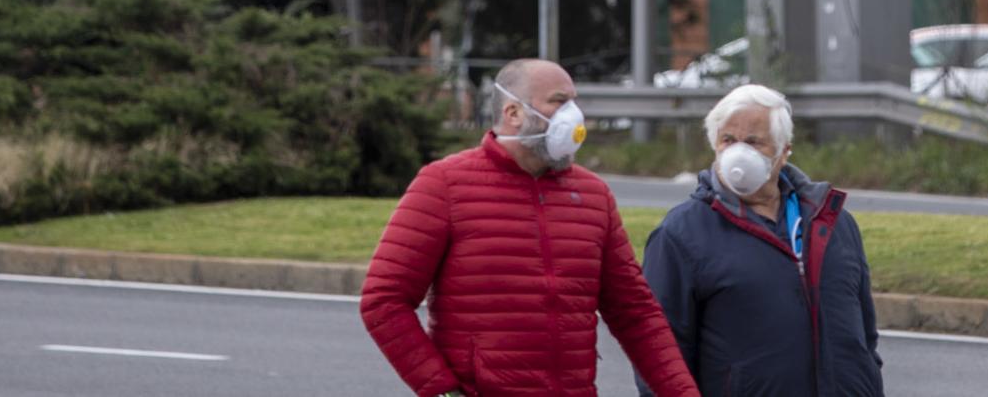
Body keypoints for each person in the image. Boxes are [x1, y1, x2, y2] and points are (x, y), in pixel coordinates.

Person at [361, 57, 700, 397]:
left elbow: (636, 314)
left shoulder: (593, 195)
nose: (573, 115)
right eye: (559, 101)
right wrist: (441, 390)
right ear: (513, 113)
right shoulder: (444, 184)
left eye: (574, 101)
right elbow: (384, 300)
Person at [638, 83, 884, 396]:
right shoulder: (682, 234)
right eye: (728, 140)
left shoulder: (833, 224)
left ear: (784, 152)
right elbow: (659, 358)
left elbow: (864, 336)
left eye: (754, 142)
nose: (739, 153)